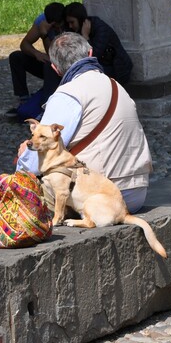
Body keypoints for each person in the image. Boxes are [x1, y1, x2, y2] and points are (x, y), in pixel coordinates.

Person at [15, 32, 153, 214]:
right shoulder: (116, 86)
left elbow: (32, 165)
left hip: (99, 198)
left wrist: (23, 156)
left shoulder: (67, 95)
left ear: (55, 69)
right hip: (136, 191)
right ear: (90, 54)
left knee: (24, 179)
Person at [5, 2, 66, 120]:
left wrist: (45, 35)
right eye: (54, 26)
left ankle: (44, 102)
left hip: (62, 66)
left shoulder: (68, 22)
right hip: (50, 64)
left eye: (59, 25)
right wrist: (36, 53)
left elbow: (54, 55)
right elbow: (24, 44)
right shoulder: (41, 22)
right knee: (16, 57)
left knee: (50, 65)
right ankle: (24, 99)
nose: (57, 28)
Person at [63, 2, 133, 85]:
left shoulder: (101, 29)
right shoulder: (75, 30)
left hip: (116, 68)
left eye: (72, 22)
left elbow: (94, 55)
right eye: (68, 23)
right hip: (101, 65)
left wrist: (85, 37)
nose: (70, 26)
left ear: (80, 19)